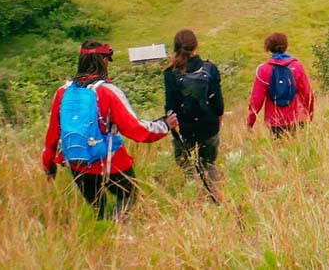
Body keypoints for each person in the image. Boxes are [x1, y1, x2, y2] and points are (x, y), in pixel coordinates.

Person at [41, 41, 178, 220]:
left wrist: (48, 164)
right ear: (104, 61)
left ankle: (103, 228)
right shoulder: (107, 92)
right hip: (111, 163)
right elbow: (135, 129)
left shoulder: (62, 92)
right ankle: (117, 227)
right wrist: (164, 125)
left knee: (97, 206)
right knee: (128, 195)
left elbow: (53, 133)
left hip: (77, 163)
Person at [163, 28, 224, 201]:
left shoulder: (170, 73)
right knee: (209, 164)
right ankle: (214, 198)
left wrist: (174, 129)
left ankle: (194, 200)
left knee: (187, 168)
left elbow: (170, 106)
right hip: (208, 125)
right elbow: (218, 103)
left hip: (183, 128)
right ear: (196, 46)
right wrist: (217, 122)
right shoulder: (210, 68)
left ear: (175, 48)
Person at [246, 32, 314, 138]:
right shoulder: (296, 66)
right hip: (297, 117)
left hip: (275, 121)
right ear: (286, 46)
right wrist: (310, 114)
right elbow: (307, 93)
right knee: (298, 146)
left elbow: (256, 100)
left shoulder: (263, 70)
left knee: (279, 147)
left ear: (269, 48)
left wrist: (250, 122)